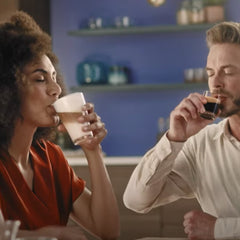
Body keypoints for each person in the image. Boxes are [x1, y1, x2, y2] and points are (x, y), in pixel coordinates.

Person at [0, 11, 119, 240]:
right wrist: (49, 235)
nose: (56, 89)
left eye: (54, 76)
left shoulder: (50, 157)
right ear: (7, 88)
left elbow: (108, 231)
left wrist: (93, 151)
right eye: (40, 78)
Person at [123, 21, 240, 240]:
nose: (216, 83)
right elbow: (136, 200)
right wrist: (174, 139)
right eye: (211, 72)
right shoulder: (202, 144)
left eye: (228, 72)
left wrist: (217, 229)